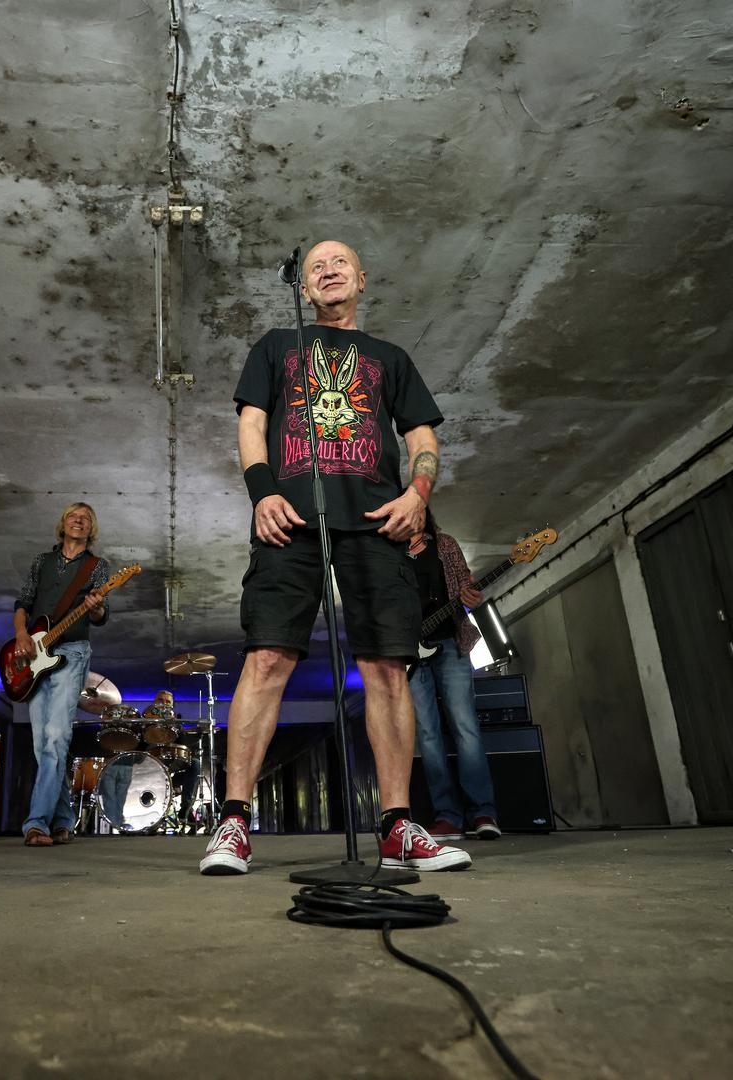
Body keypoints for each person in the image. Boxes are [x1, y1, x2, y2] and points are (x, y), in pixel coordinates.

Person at [200, 239, 472, 875]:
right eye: (316, 266)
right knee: (268, 657)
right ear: (303, 288)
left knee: (387, 667)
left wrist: (419, 493)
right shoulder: (276, 346)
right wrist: (262, 492)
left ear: (362, 279)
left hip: (376, 522)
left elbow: (421, 435)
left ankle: (398, 827)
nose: (328, 271)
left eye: (339, 262)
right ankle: (233, 823)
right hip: (290, 519)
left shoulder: (390, 358)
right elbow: (251, 422)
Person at [14, 502, 110, 846]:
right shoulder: (42, 562)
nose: (79, 521)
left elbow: (101, 616)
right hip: (35, 655)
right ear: (63, 523)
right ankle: (63, 819)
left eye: (86, 518)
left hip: (72, 653)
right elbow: (24, 603)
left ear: (91, 528)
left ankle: (36, 824)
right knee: (43, 744)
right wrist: (22, 635)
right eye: (73, 516)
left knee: (56, 737)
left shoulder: (98, 567)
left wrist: (96, 607)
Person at [407, 510, 502, 841]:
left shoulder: (444, 545)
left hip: (450, 643)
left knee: (465, 726)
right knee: (427, 734)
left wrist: (471, 598)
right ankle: (447, 817)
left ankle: (484, 812)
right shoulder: (388, 554)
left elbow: (465, 588)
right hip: (410, 653)